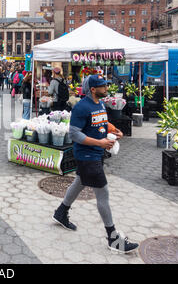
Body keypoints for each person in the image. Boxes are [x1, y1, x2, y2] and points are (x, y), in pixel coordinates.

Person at [52, 74, 139, 254]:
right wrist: (100, 143)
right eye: (102, 86)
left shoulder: (99, 104)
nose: (106, 88)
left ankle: (61, 212)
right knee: (103, 193)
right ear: (93, 89)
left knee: (79, 183)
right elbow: (74, 134)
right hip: (86, 156)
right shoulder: (81, 107)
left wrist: (114, 130)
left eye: (106, 85)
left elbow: (101, 122)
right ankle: (113, 238)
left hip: (96, 154)